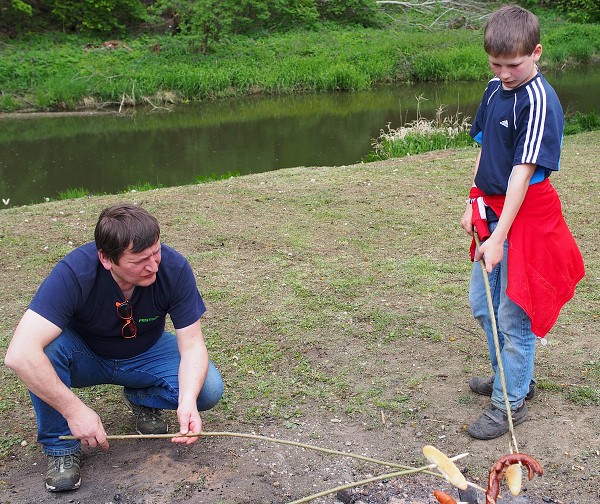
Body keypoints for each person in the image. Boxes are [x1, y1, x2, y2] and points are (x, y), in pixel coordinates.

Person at [4, 203, 224, 492]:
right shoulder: (75, 272)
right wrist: (74, 412)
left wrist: (186, 402)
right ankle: (60, 446)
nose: (153, 266)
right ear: (107, 259)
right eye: (139, 260)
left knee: (206, 389)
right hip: (85, 355)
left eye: (156, 252)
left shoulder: (174, 267)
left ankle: (141, 397)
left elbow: (193, 344)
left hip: (146, 352)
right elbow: (19, 354)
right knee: (42, 351)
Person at [460, 5, 585, 440]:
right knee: (483, 306)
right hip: (492, 208)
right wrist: (473, 199)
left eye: (513, 64)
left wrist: (498, 237)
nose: (505, 72)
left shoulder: (539, 101)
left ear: (536, 52)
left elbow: (521, 173)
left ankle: (510, 402)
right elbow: (484, 147)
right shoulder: (495, 89)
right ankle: (512, 378)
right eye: (496, 63)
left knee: (514, 317)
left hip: (526, 218)